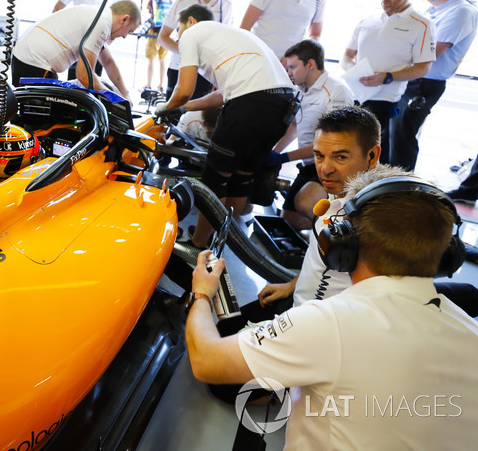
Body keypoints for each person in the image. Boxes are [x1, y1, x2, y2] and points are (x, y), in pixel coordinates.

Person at [186, 169, 478, 450]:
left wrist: (202, 293)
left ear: (343, 245)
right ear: (447, 254)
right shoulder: (470, 332)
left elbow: (205, 359)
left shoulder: (328, 323)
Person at [156, 4, 295, 248]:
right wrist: (182, 109)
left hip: (251, 104)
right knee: (242, 176)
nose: (178, 38)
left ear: (189, 21)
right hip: (283, 104)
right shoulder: (231, 37)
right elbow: (222, 95)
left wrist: (165, 108)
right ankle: (223, 239)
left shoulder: (192, 33)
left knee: (215, 177)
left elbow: (183, 89)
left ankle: (198, 244)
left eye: (178, 31)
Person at [342, 0, 436, 164]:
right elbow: (348, 55)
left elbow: (423, 67)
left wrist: (387, 76)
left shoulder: (422, 25)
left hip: (383, 102)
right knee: (345, 153)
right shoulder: (368, 20)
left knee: (372, 159)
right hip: (352, 96)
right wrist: (353, 69)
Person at [390, 0, 478, 171]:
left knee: (402, 137)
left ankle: (399, 190)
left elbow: (430, 51)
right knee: (389, 133)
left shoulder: (461, 12)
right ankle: (382, 184)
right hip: (411, 78)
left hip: (424, 83)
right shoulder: (434, 10)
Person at [270, 40, 354, 230]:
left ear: (310, 64)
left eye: (292, 67)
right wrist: (274, 153)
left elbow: (331, 145)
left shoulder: (336, 91)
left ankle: (343, 235)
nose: (289, 72)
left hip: (336, 166)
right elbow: (294, 127)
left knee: (305, 203)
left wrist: (285, 157)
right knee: (289, 221)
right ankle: (322, 232)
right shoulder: (301, 91)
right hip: (312, 164)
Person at [11, 0, 140, 101]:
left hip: (28, 58)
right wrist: (114, 99)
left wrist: (125, 93)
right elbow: (84, 75)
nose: (124, 36)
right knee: (45, 126)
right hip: (33, 62)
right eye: (129, 31)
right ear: (124, 19)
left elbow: (108, 61)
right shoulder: (101, 24)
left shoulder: (100, 17)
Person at [157, 0, 233, 98]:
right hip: (179, 69)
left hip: (207, 73)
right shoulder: (182, 1)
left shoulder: (226, 5)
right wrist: (186, 52)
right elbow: (163, 37)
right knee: (173, 114)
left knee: (198, 118)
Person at [144, 0, 172, 91]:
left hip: (154, 31)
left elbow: (149, 6)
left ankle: (149, 84)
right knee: (162, 59)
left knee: (151, 58)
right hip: (165, 32)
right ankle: (160, 84)